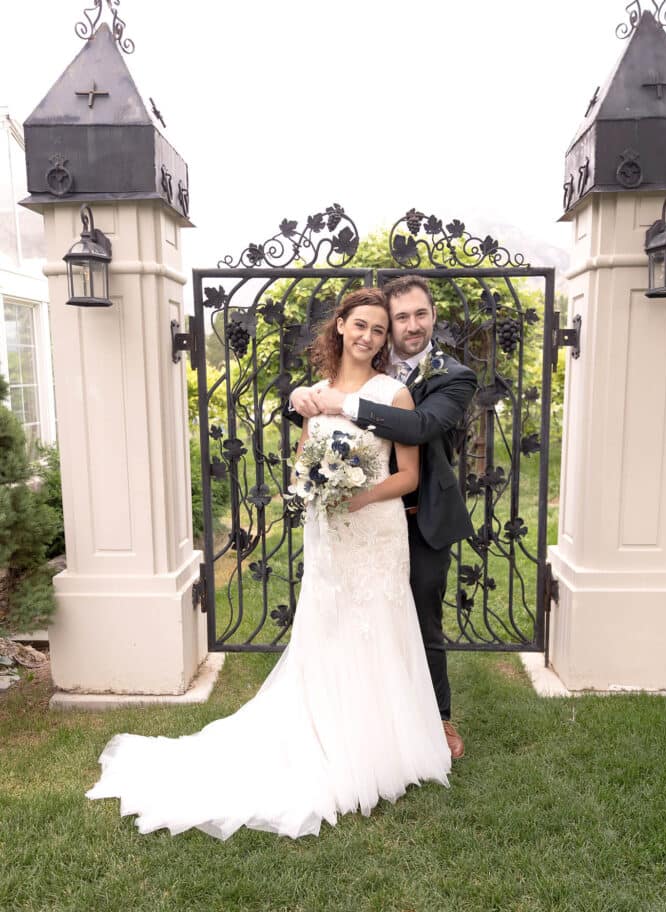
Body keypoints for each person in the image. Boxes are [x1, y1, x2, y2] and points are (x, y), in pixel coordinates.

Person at [86, 287, 451, 840]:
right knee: (328, 629)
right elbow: (305, 461)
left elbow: (407, 477)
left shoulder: (395, 395)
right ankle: (326, 734)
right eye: (361, 325)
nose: (369, 336)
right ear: (340, 327)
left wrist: (357, 496)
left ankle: (381, 744)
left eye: (379, 330)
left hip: (375, 530)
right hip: (329, 533)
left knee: (379, 626)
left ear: (385, 340)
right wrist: (306, 490)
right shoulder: (314, 395)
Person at [289, 275, 477, 760]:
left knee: (421, 619)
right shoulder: (359, 363)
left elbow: (420, 426)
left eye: (421, 315)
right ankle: (340, 715)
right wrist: (300, 398)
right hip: (349, 522)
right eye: (401, 318)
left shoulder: (452, 374)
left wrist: (343, 404)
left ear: (434, 317)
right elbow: (317, 429)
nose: (410, 326)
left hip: (418, 514)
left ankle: (436, 719)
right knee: (342, 615)